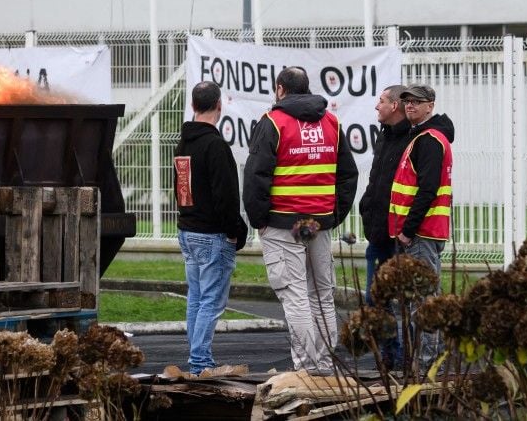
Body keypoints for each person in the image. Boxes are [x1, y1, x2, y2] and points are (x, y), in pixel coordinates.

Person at [243, 66, 358, 374]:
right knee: (322, 294)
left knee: (295, 296)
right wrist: (334, 215)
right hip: (319, 224)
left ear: (280, 89)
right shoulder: (331, 122)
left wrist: (259, 220)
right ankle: (324, 364)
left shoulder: (273, 122)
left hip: (282, 224)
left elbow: (256, 176)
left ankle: (306, 367)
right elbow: (348, 174)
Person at [174, 80, 248, 374]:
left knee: (196, 298)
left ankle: (197, 359)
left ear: (193, 106)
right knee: (211, 302)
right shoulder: (215, 145)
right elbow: (226, 194)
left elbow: (182, 188)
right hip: (212, 235)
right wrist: (235, 230)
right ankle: (200, 361)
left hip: (188, 230)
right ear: (220, 105)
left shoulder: (184, 143)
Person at [387, 84, 455, 372]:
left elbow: (427, 189)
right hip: (421, 233)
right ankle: (428, 365)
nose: (411, 106)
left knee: (425, 303)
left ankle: (429, 369)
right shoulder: (422, 137)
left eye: (417, 102)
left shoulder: (428, 140)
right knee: (421, 301)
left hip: (421, 234)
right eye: (407, 102)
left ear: (431, 105)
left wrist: (408, 229)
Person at [359, 85, 415, 301]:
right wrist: (367, 207)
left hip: (401, 236)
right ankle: (388, 337)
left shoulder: (413, 138)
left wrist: (406, 229)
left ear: (393, 106)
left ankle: (404, 337)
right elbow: (377, 180)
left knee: (405, 303)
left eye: (381, 101)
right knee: (374, 300)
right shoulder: (384, 136)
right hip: (377, 233)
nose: (376, 106)